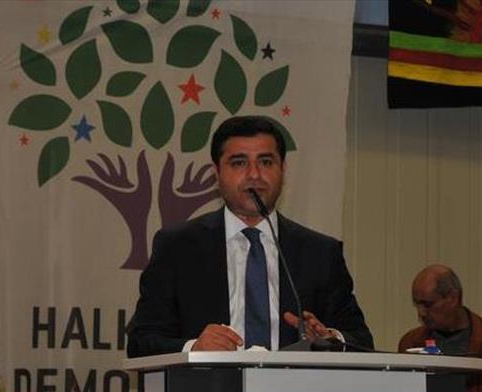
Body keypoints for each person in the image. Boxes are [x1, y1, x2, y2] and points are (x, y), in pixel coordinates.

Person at [126, 116, 373, 357]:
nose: (254, 174)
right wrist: (194, 348)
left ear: (283, 169)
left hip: (295, 384)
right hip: (206, 383)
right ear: (217, 173)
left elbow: (361, 340)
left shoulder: (320, 252)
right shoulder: (178, 247)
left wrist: (330, 339)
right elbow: (140, 342)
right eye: (239, 163)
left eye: (266, 162)